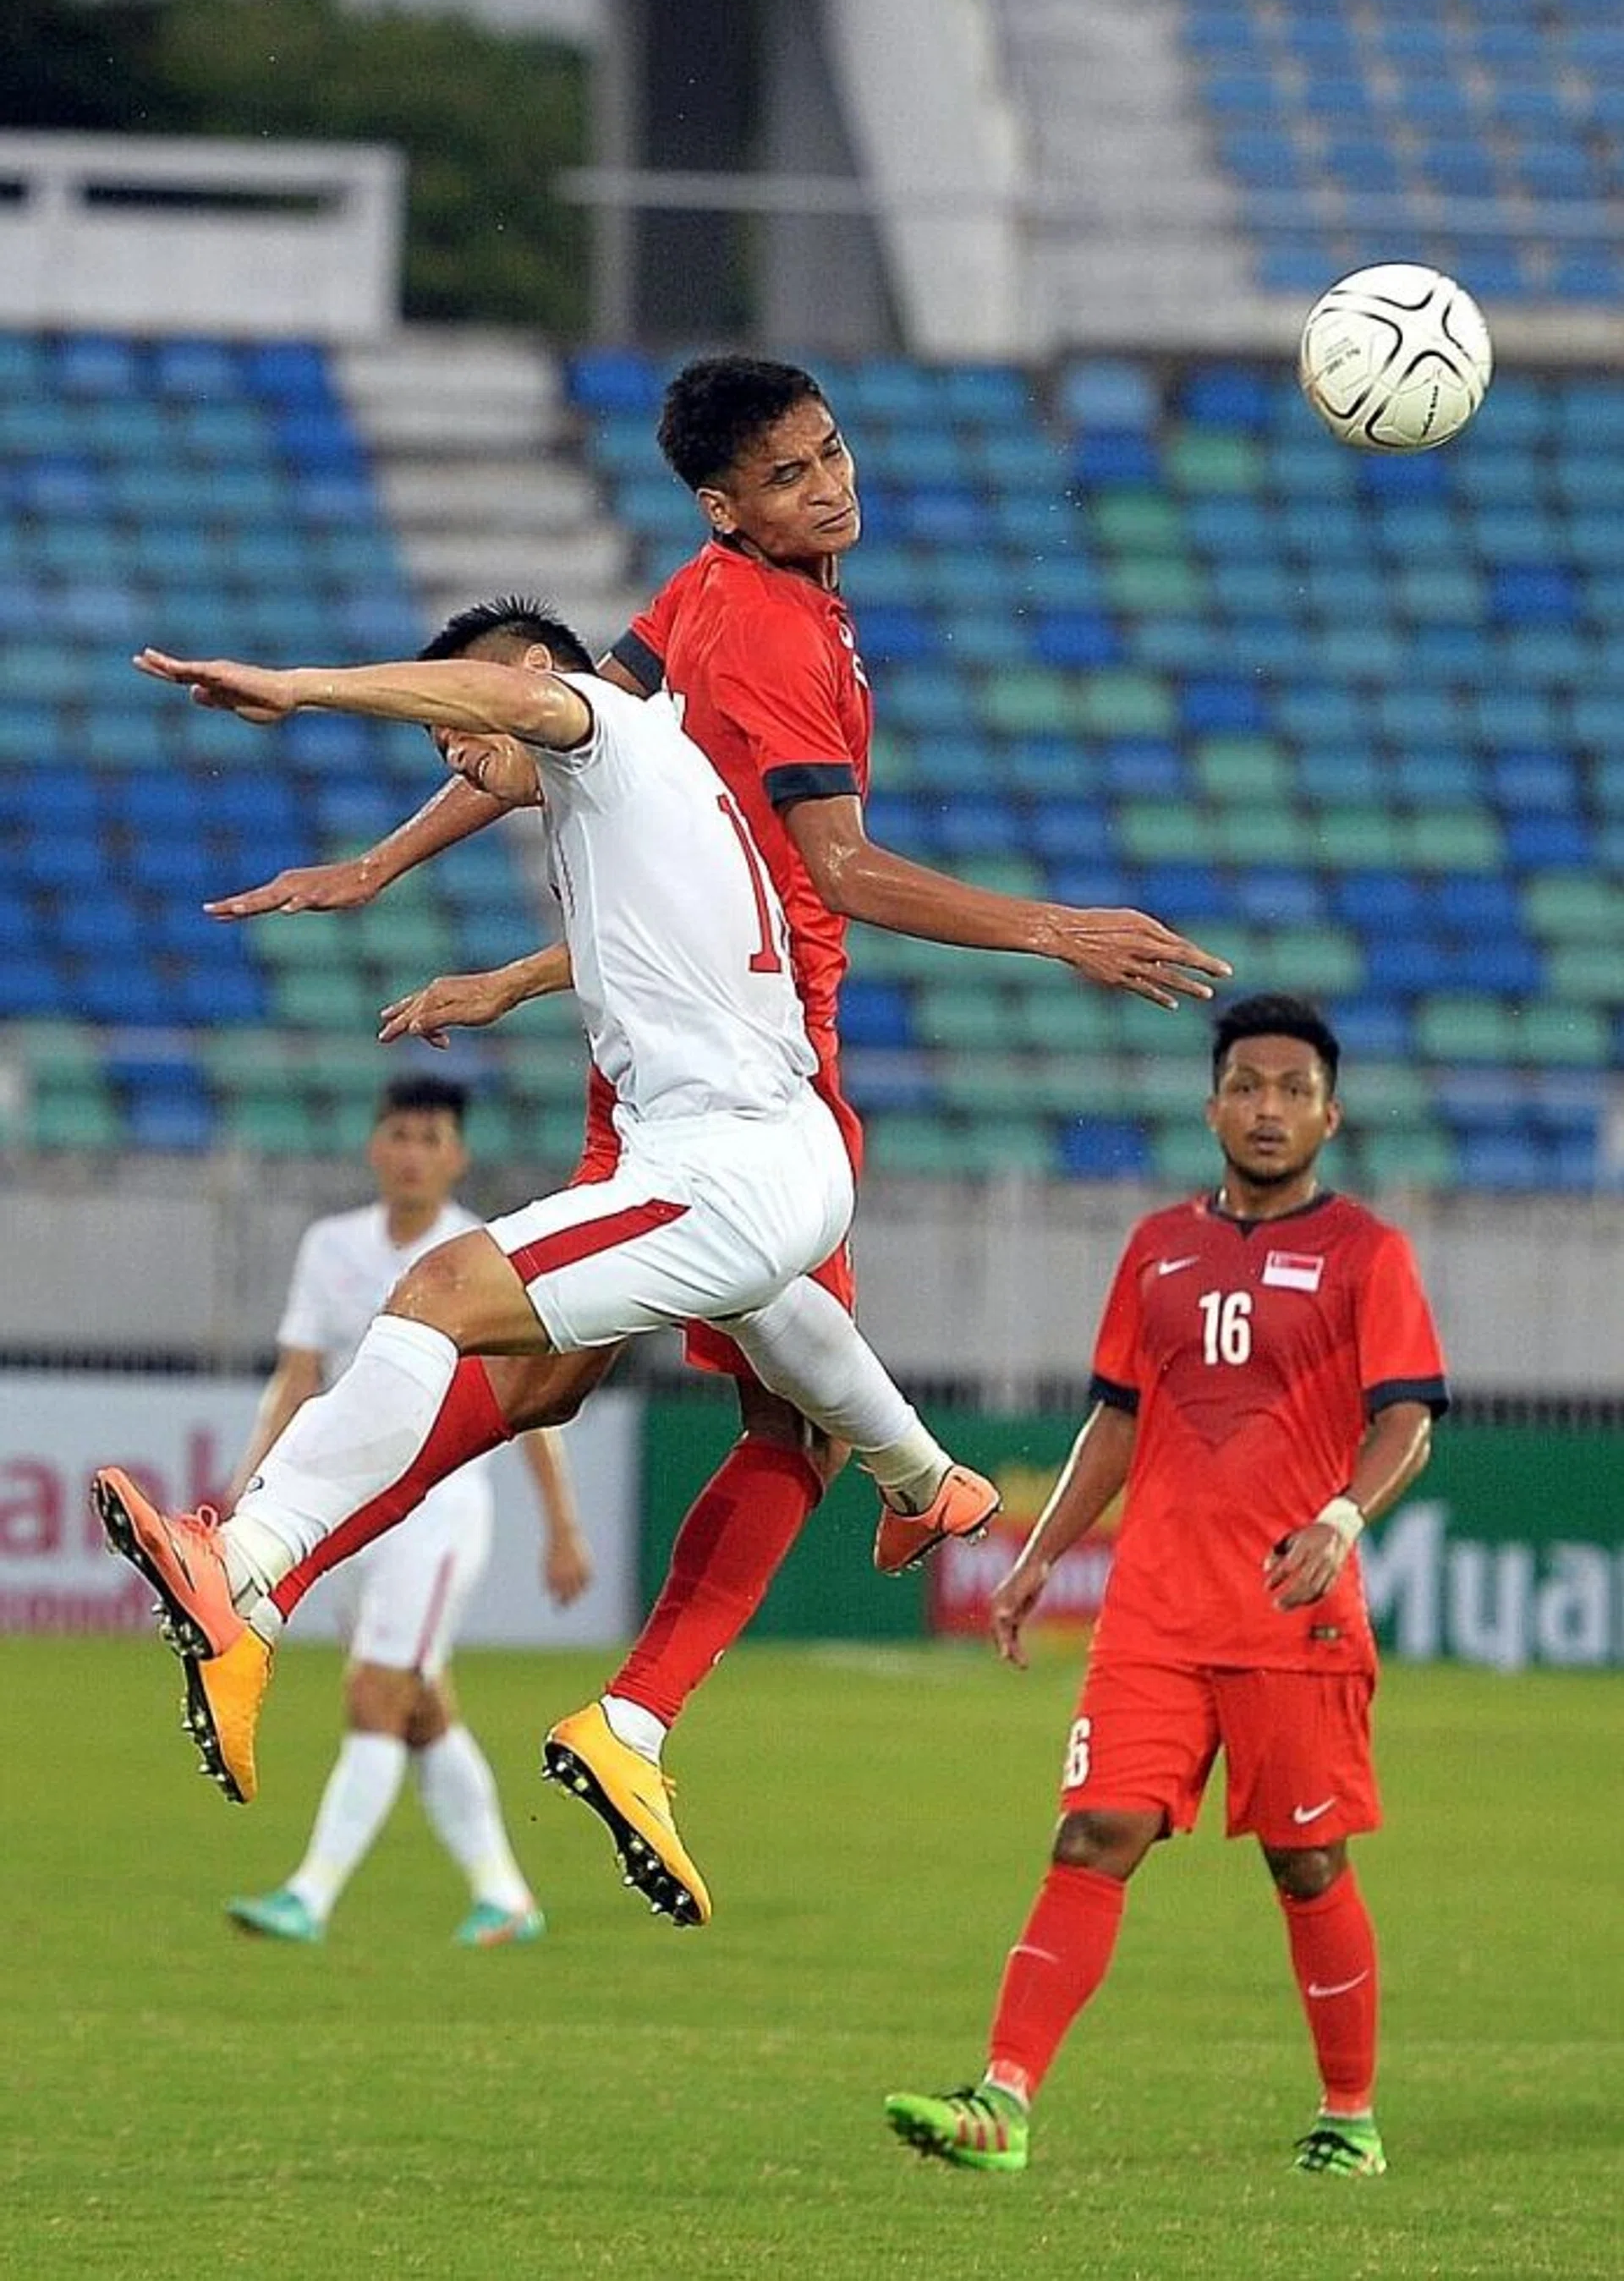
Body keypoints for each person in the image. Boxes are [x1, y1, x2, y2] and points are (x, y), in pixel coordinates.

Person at [201, 358, 1228, 1917]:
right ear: (722, 505)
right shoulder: (766, 632)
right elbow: (834, 864)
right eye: (791, 474)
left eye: (833, 451)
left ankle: (884, 1504)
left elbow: (572, 731)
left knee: (559, 1379)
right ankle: (581, 1683)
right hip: (752, 1066)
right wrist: (1057, 928)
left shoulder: (705, 598)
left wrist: (403, 881)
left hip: (683, 1026)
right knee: (754, 1413)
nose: (833, 485)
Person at [94, 607, 1000, 1929]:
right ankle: (923, 1483)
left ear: (532, 679)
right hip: (755, 1150)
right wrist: (496, 966)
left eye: (462, 726)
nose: (459, 757)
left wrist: (298, 685)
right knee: (747, 1338)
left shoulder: (609, 724)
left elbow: (529, 708)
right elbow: (640, 922)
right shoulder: (630, 796)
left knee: (440, 1296)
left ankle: (249, 1563)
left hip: (728, 1160)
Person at [885, 995, 1448, 2180]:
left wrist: (1341, 1518)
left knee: (1307, 1860)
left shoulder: (1369, 1254)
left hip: (1292, 1618)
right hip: (1153, 1613)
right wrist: (1040, 1554)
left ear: (1331, 1117)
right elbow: (1117, 1418)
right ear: (1212, 1107)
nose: (1267, 1108)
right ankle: (1003, 2098)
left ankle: (1349, 2112)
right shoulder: (1156, 1248)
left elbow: (1408, 1421)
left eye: (1293, 1090)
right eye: (1247, 1086)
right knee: (1095, 1833)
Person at [223, 1073, 590, 1949]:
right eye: (400, 1135)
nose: (413, 1154)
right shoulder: (330, 1245)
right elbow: (298, 1377)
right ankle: (505, 1895)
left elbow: (527, 1400)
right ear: (373, 1145)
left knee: (376, 1690)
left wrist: (562, 1526)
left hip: (436, 1510)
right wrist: (253, 1488)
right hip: (347, 1514)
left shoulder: (484, 1254)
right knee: (419, 1705)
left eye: (432, 1139)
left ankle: (311, 1895)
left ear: (458, 1156)